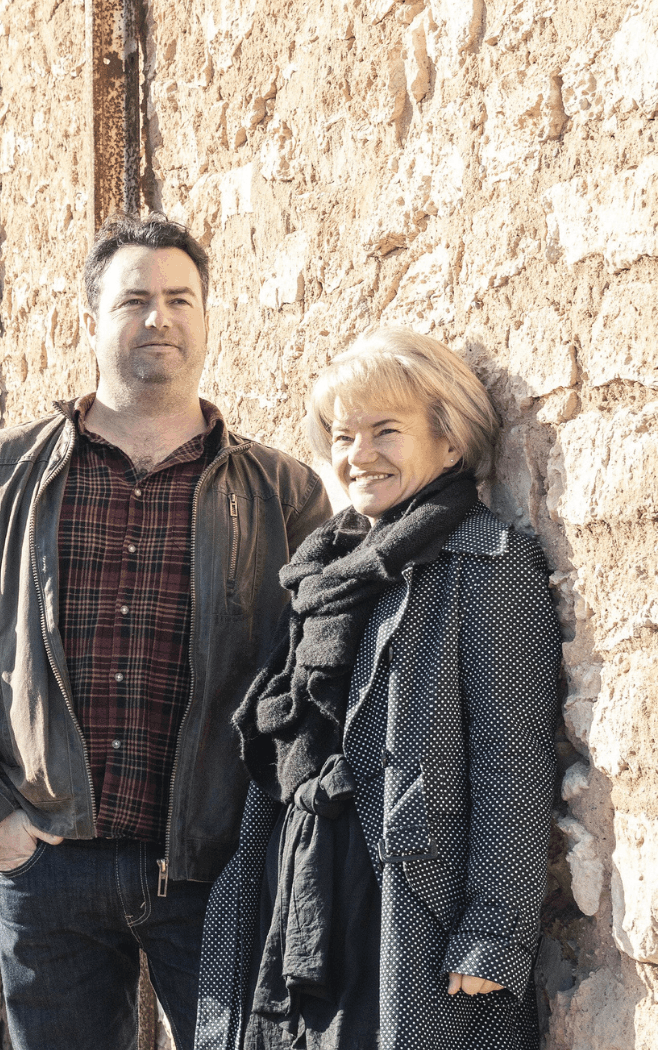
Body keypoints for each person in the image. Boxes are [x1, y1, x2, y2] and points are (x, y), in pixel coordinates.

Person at [0, 215, 330, 1049]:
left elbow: (321, 675)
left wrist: (282, 833)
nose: (158, 318)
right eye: (134, 300)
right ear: (90, 320)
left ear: (205, 318)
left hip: (220, 868)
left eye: (179, 299)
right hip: (48, 856)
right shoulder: (6, 469)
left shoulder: (286, 492)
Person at [193, 328, 562, 1050]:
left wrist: (495, 929)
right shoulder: (324, 570)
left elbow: (512, 761)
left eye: (385, 431)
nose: (358, 454)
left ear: (450, 442)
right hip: (300, 887)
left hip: (405, 905)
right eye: (342, 434)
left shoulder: (487, 562)